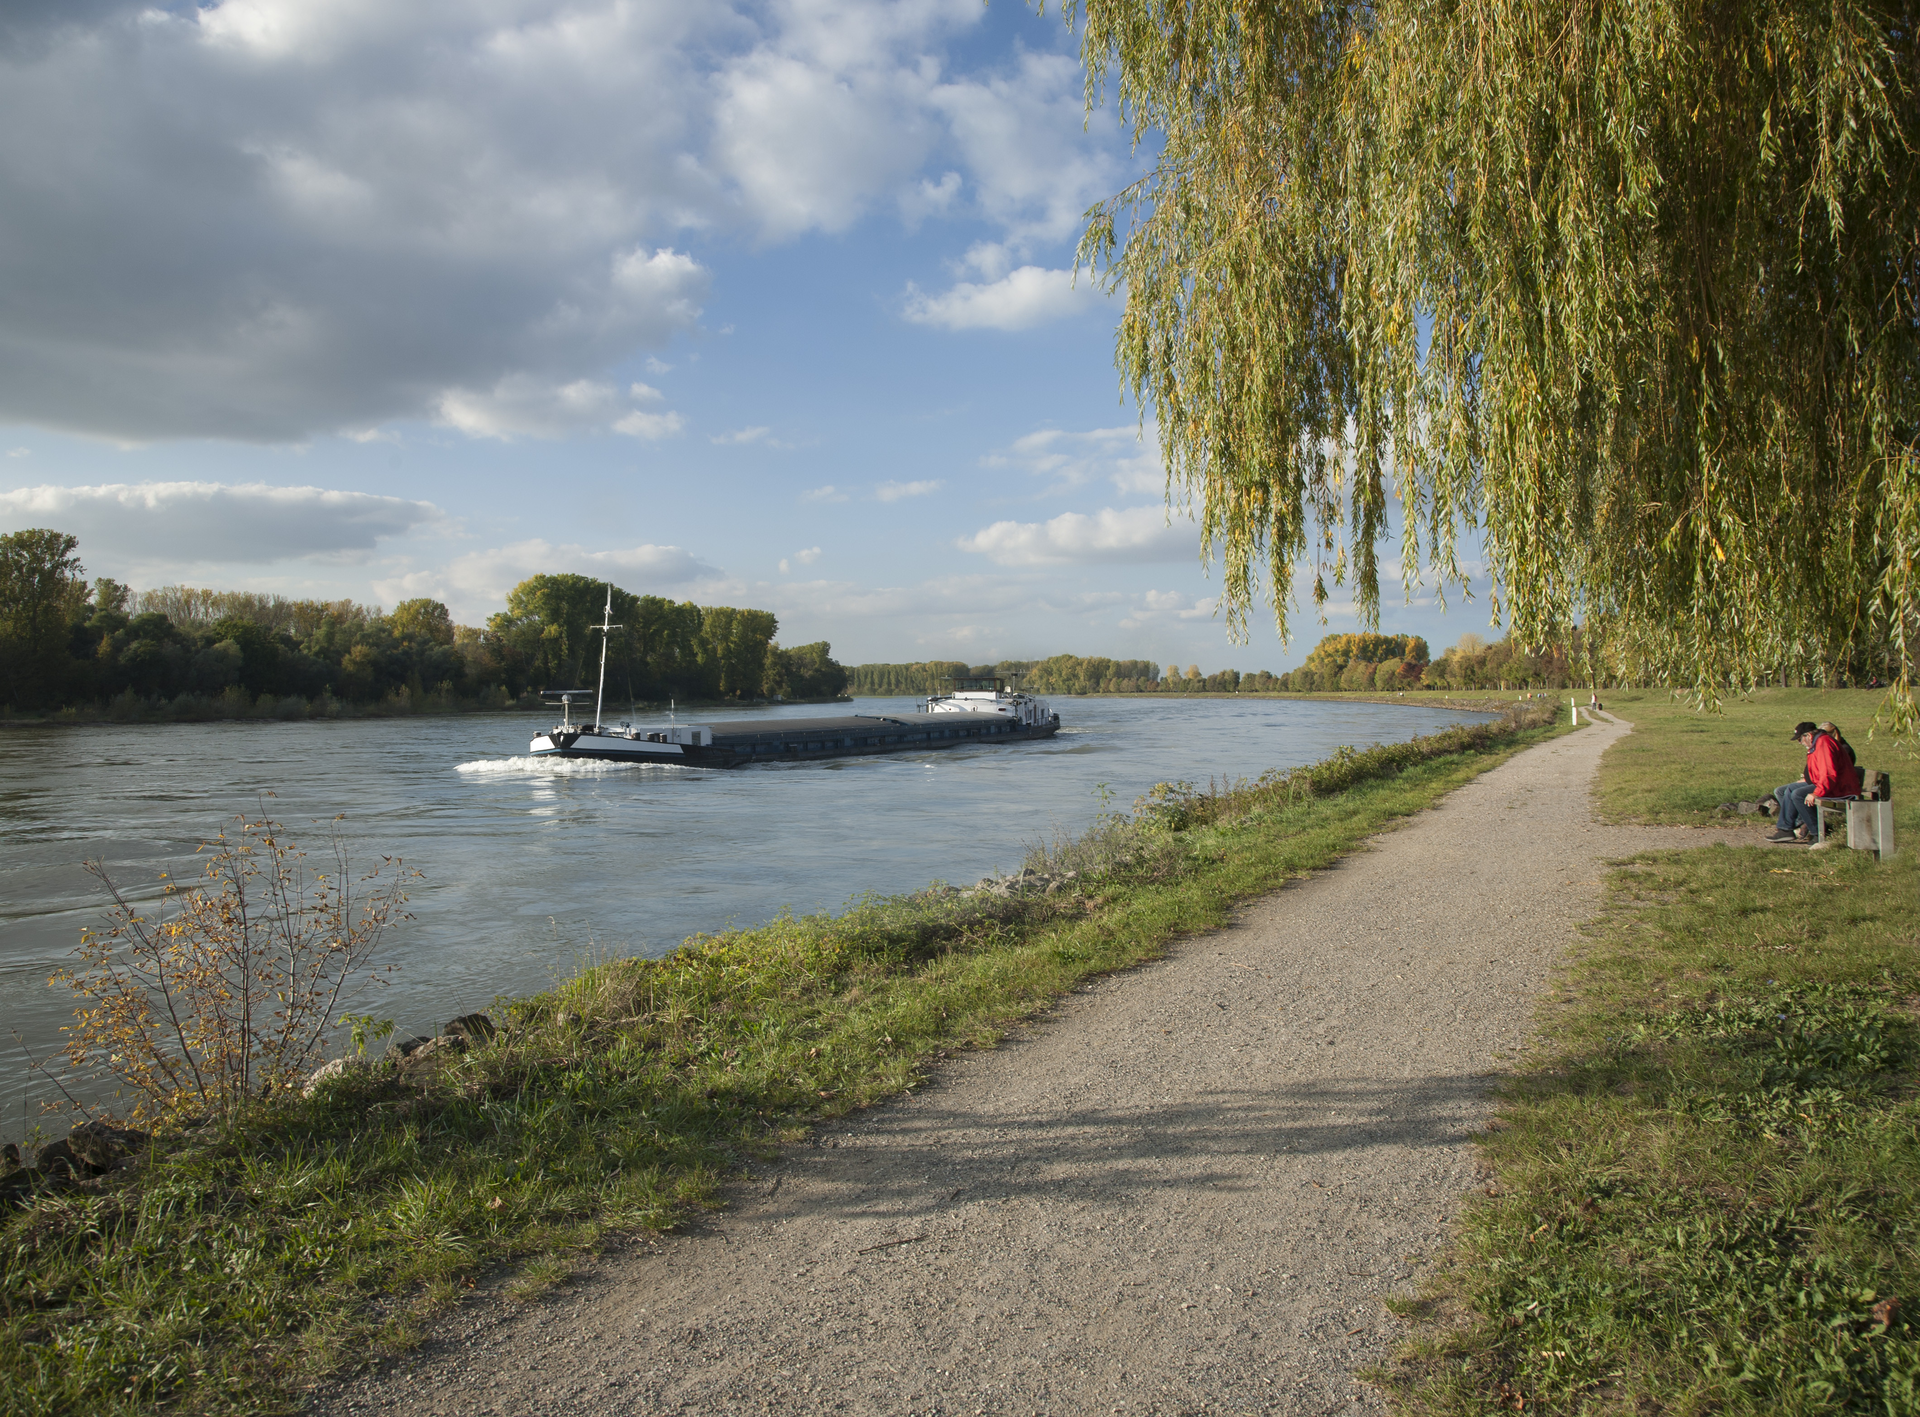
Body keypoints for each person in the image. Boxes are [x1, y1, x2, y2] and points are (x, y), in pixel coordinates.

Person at [1768, 721, 1863, 843]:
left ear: (1808, 735)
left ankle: (1818, 833)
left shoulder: (1824, 744)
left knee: (1798, 794)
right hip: (1830, 784)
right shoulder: (1818, 743)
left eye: (1800, 739)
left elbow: (1828, 773)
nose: (1800, 742)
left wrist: (1816, 793)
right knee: (1790, 789)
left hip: (1840, 788)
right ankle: (1785, 829)